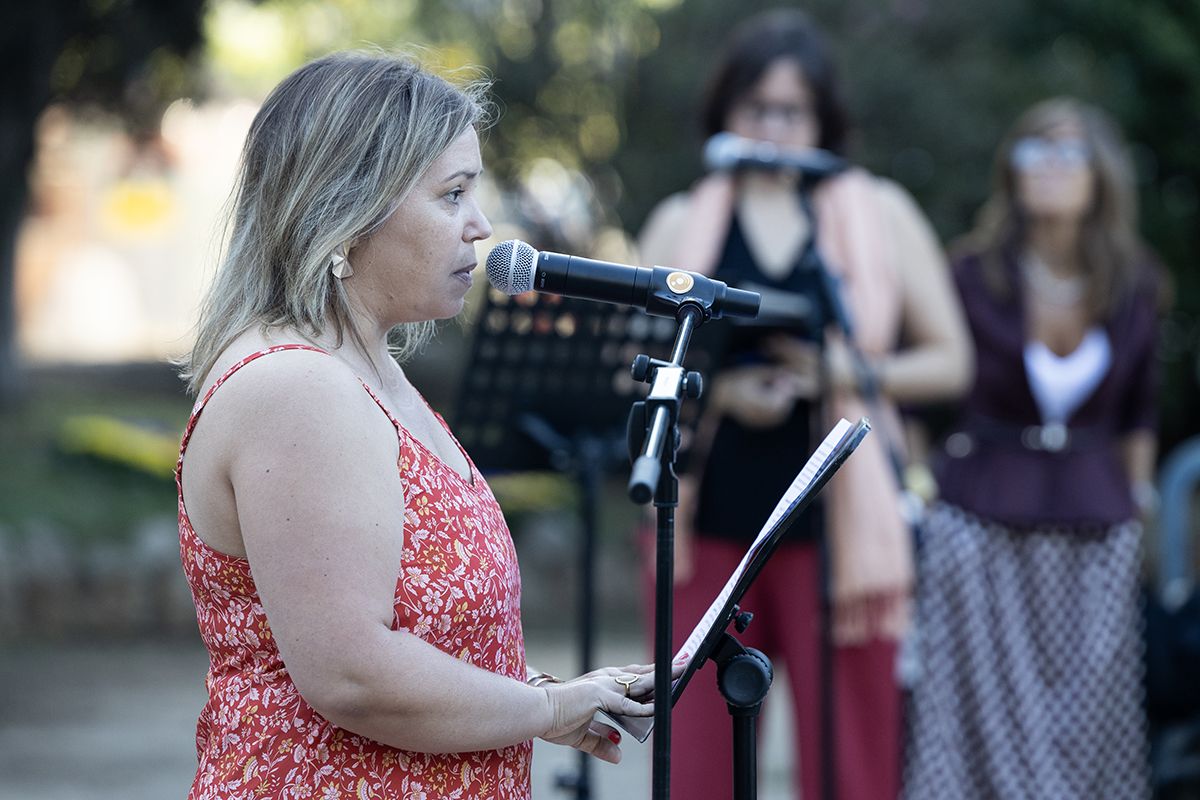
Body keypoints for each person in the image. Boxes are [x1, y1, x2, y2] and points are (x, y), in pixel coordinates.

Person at [174, 51, 671, 799]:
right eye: (453, 194)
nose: (479, 226)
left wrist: (547, 698)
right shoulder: (298, 386)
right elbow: (353, 673)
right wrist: (543, 706)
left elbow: (414, 635)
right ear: (346, 208)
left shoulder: (365, 369)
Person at [635, 10, 971, 799]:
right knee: (699, 765)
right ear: (726, 113)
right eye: (757, 108)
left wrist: (841, 378)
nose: (773, 127)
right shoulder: (682, 219)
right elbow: (636, 373)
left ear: (822, 120)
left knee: (851, 762)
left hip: (842, 532)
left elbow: (950, 361)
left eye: (791, 111)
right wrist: (721, 393)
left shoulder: (877, 211)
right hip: (711, 521)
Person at [902, 98, 1162, 799]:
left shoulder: (1136, 285)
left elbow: (1140, 415)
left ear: (1101, 174)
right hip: (977, 525)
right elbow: (916, 402)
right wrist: (921, 492)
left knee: (1088, 730)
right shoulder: (968, 275)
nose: (1047, 167)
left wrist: (1139, 510)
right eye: (1031, 152)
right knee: (976, 721)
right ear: (1008, 172)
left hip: (1096, 532)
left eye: (1067, 152)